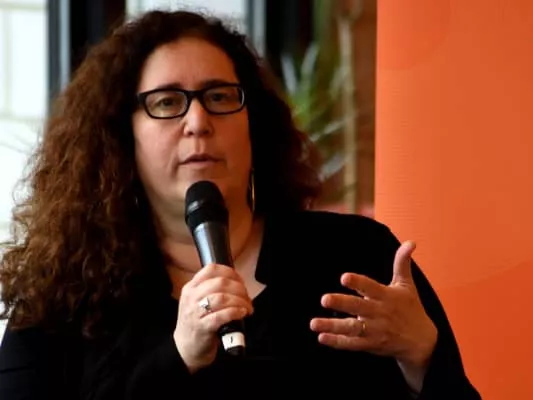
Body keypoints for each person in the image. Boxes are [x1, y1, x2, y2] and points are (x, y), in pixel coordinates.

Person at [0, 9, 481, 400]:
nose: (198, 120)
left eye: (218, 96)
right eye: (167, 102)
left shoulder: (355, 259)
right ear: (121, 138)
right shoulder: (61, 298)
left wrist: (423, 357)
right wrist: (178, 357)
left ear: (254, 125)